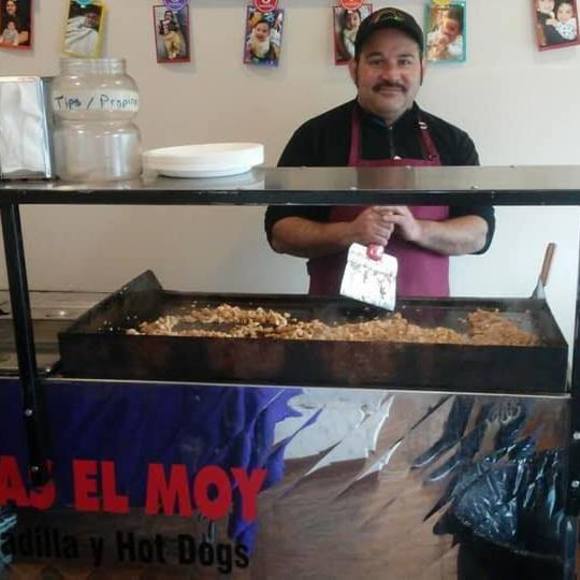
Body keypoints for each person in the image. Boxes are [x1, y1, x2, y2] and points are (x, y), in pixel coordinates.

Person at [265, 7, 494, 298]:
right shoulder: (315, 136)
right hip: (332, 320)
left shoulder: (453, 141)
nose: (391, 74)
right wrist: (349, 232)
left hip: (429, 321)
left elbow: (480, 233)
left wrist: (418, 230)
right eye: (376, 61)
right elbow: (280, 232)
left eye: (404, 61)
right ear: (354, 69)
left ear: (423, 69)